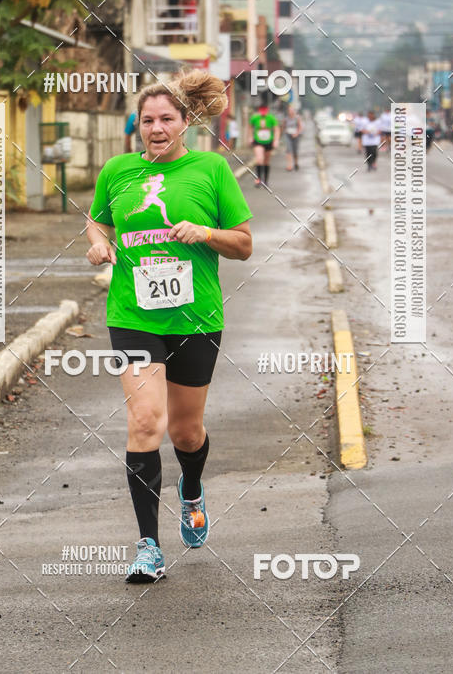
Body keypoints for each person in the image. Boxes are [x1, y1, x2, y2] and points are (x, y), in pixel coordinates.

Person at [86, 70, 253, 583]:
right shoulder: (117, 170)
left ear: (186, 123)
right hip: (132, 316)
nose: (156, 128)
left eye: (167, 119)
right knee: (145, 422)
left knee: (185, 430)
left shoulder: (211, 169)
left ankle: (193, 489)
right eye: (148, 120)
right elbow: (97, 220)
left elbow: (243, 243)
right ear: (137, 124)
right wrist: (97, 242)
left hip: (195, 317)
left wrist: (205, 231)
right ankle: (148, 548)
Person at [247, 101, 280, 187]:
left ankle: (265, 180)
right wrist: (250, 137)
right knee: (259, 159)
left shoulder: (271, 118)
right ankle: (258, 179)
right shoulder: (255, 118)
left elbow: (277, 129)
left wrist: (276, 140)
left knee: (266, 161)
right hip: (258, 141)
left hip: (269, 141)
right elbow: (250, 127)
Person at [283, 105, 303, 170]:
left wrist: (296, 133)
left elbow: (300, 127)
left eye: (292, 110)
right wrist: (285, 131)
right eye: (289, 110)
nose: (291, 112)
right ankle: (289, 165)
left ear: (294, 111)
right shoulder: (286, 118)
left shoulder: (297, 118)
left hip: (295, 136)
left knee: (295, 151)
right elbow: (283, 126)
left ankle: (296, 163)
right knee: (289, 150)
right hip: (288, 135)